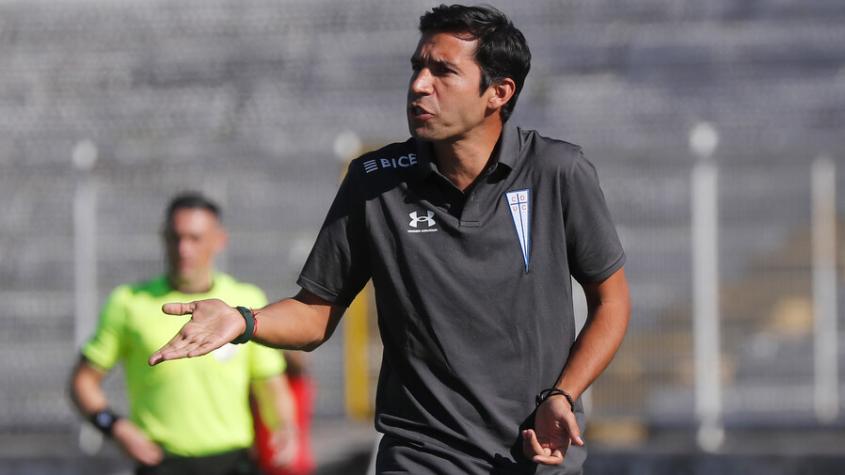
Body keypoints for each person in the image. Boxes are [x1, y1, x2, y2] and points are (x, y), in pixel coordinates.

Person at [149, 5, 630, 474]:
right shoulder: (373, 180)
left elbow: (611, 303)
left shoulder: (557, 172)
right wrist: (242, 320)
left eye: (443, 71)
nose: (419, 85)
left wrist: (563, 394)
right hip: (421, 454)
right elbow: (315, 314)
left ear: (498, 92)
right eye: (418, 67)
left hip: (536, 454)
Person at [70, 192, 298, 475]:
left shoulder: (243, 301)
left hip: (232, 463)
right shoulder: (130, 302)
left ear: (219, 240)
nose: (183, 249)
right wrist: (115, 426)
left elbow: (270, 384)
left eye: (195, 238)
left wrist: (286, 427)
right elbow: (83, 382)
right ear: (163, 238)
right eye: (175, 238)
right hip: (162, 462)